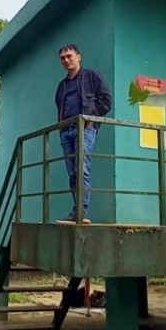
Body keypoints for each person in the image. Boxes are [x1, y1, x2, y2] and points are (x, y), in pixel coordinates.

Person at [54, 44, 112, 224]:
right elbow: (60, 106)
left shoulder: (91, 77)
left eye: (69, 56)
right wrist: (62, 128)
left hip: (84, 128)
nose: (66, 60)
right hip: (66, 131)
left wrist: (91, 120)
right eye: (62, 58)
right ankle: (76, 211)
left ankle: (81, 212)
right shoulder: (62, 86)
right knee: (72, 172)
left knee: (82, 167)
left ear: (78, 57)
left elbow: (106, 101)